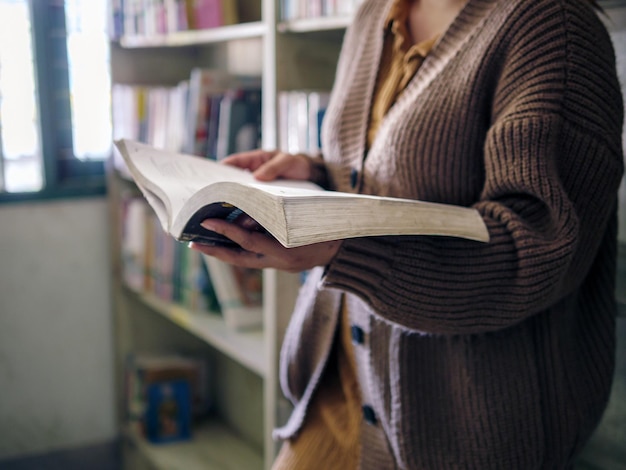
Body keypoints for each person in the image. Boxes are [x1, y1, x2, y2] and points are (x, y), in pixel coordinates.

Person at [191, 0, 625, 467]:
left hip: (464, 432)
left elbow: (536, 253)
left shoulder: (553, 28)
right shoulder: (377, 12)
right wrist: (315, 174)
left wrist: (343, 248)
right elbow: (387, 178)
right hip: (337, 398)